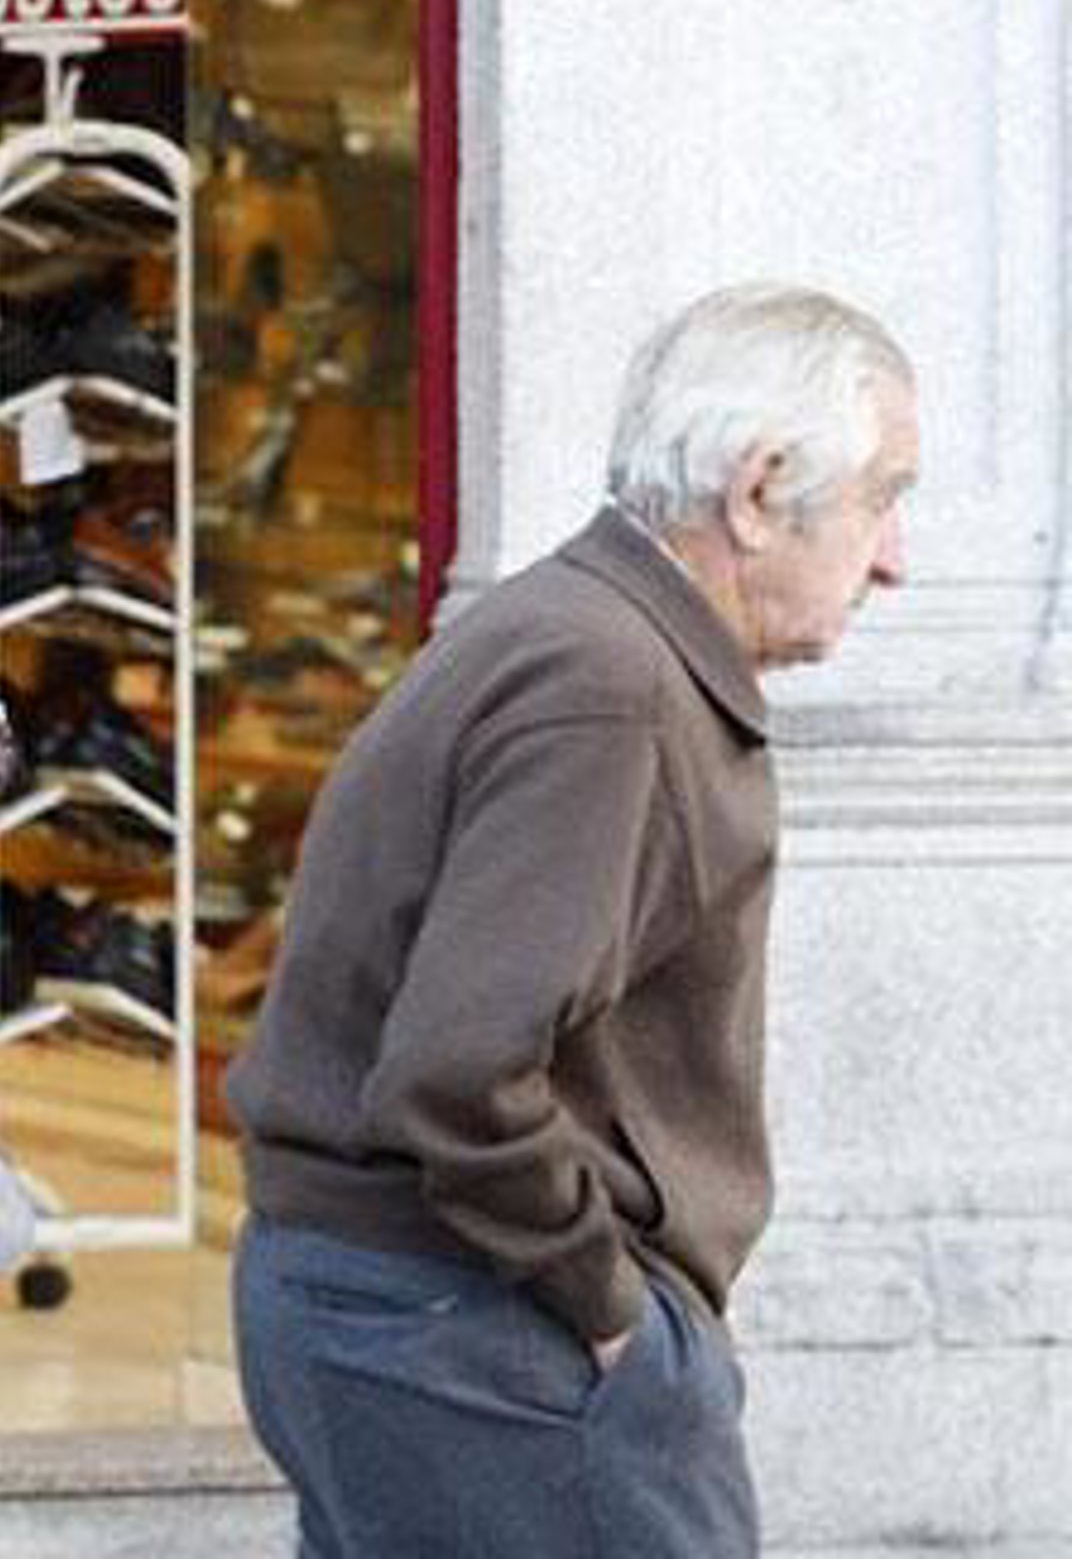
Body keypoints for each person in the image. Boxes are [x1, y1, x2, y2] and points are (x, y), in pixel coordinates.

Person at [225, 284, 921, 1558]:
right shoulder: (611, 682)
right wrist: (612, 1314)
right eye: (883, 498)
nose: (894, 559)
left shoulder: (576, 634)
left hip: (410, 1312)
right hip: (480, 1330)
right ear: (759, 491)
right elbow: (457, 1073)